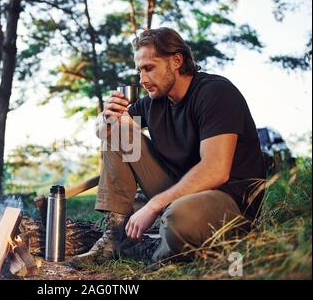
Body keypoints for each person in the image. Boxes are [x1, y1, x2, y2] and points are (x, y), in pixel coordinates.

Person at [69, 27, 267, 269]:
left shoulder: (216, 92)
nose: (142, 80)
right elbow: (105, 134)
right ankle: (115, 239)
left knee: (178, 219)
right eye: (139, 70)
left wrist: (153, 205)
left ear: (176, 61)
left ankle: (155, 254)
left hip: (227, 199)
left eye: (149, 68)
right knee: (119, 130)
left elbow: (216, 170)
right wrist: (105, 117)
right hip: (178, 188)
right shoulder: (154, 103)